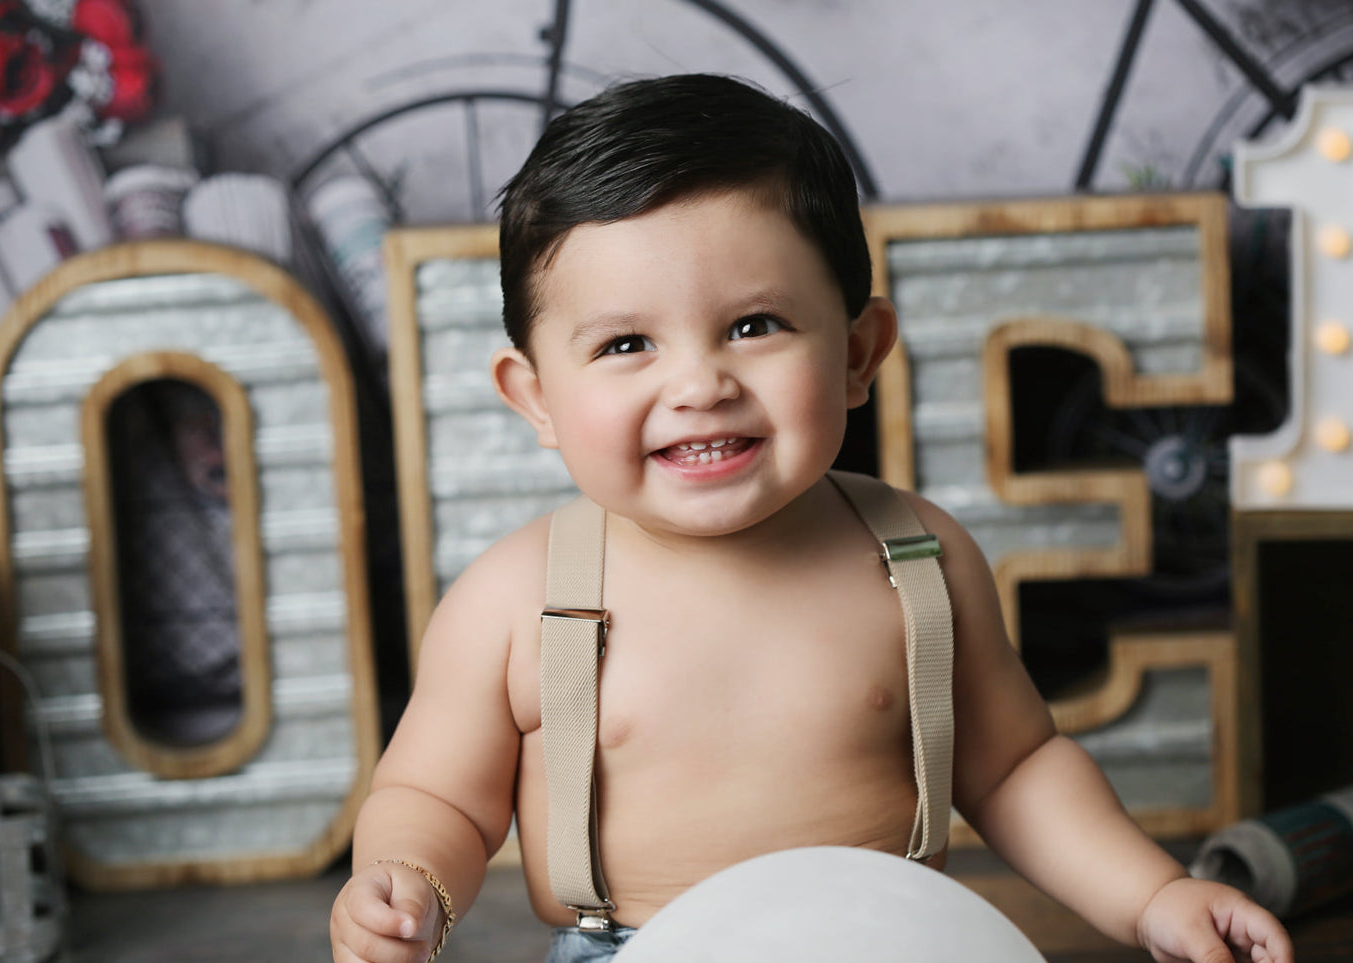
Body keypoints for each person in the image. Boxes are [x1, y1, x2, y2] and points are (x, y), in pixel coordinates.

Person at [330, 73, 1294, 963]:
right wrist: (408, 884)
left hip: (894, 939)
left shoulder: (916, 558)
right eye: (626, 343)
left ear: (858, 352)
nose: (700, 384)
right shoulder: (513, 600)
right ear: (536, 397)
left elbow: (1016, 770)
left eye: (754, 325)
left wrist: (1153, 894)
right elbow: (436, 796)